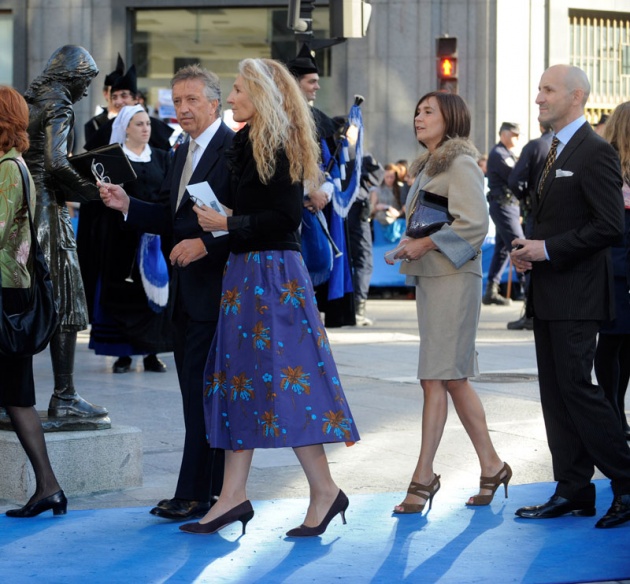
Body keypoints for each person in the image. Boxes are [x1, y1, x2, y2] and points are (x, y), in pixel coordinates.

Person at [181, 58, 360, 537]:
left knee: (289, 382)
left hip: (273, 277)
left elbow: (285, 219)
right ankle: (233, 495)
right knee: (239, 382)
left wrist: (227, 223)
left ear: (259, 94)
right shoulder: (248, 141)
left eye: (237, 89)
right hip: (245, 276)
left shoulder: (277, 143)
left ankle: (323, 490)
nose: (232, 97)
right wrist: (227, 219)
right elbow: (261, 210)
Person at [99, 65, 233, 520]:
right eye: (177, 101)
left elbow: (248, 223)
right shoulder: (180, 150)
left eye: (192, 99)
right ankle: (206, 489)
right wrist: (127, 205)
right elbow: (172, 219)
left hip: (219, 294)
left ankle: (197, 493)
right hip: (185, 295)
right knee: (195, 394)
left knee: (202, 395)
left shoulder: (232, 150)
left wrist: (206, 243)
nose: (183, 108)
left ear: (215, 103)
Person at [511, 64, 630, 528]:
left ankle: (625, 481)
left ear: (576, 96)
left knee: (580, 391)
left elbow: (609, 225)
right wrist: (529, 252)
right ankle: (574, 489)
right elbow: (556, 221)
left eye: (548, 90)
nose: (538, 97)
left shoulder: (595, 151)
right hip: (550, 291)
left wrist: (548, 249)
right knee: (556, 395)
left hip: (579, 296)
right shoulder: (550, 149)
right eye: (538, 88)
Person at [386, 91, 510, 515]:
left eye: (428, 111)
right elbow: (428, 225)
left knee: (435, 378)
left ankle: (423, 477)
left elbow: (475, 225)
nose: (418, 117)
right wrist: (406, 246)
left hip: (454, 281)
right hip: (435, 281)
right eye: (416, 110)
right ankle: (492, 466)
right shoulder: (427, 167)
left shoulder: (458, 164)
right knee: (451, 378)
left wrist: (423, 245)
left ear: (450, 118)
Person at [23, 45, 108, 419]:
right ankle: (65, 395)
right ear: (72, 77)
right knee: (65, 301)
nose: (86, 91)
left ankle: (13, 396)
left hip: (23, 209)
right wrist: (95, 192)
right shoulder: (59, 104)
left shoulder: (29, 101)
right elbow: (56, 163)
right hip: (48, 210)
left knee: (25, 302)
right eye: (86, 82)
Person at [0, 85, 66, 518]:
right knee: (15, 394)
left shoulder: (8, 167)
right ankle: (48, 487)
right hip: (12, 290)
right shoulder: (13, 164)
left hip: (6, 292)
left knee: (17, 395)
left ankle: (49, 485)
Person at [80, 104, 173, 374]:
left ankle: (152, 354)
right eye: (139, 124)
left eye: (148, 124)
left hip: (155, 240)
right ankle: (123, 354)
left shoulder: (163, 157)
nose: (146, 129)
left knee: (152, 297)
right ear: (126, 129)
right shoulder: (115, 159)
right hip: (122, 241)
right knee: (123, 297)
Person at [288, 44, 356, 328]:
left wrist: (324, 192)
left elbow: (327, 163)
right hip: (292, 212)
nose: (317, 86)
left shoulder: (316, 119)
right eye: (311, 81)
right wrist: (307, 192)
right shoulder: (283, 119)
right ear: (295, 83)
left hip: (316, 207)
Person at [594, 102, 630, 440]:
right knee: (612, 345)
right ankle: (613, 415)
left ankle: (618, 414)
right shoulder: (607, 164)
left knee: (621, 347)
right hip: (614, 267)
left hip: (619, 266)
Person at [506, 123, 553, 330]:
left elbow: (515, 179)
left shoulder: (535, 146)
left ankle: (530, 313)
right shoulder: (569, 146)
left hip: (536, 209)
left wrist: (525, 198)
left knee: (530, 259)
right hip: (562, 213)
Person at [84, 61, 173, 152]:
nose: (118, 101)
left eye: (124, 96)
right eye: (114, 97)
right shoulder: (105, 129)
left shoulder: (154, 126)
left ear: (135, 99)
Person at [484, 121, 523, 306]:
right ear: (503, 134)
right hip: (503, 205)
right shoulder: (499, 154)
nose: (517, 138)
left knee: (502, 249)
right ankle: (529, 289)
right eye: (514, 134)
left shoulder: (507, 154)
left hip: (509, 206)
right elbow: (515, 176)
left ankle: (491, 289)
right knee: (518, 244)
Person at [84, 53, 124, 145]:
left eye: (123, 95)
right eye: (114, 95)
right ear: (106, 94)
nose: (120, 100)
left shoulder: (137, 120)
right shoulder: (94, 124)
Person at [369, 163, 404, 229]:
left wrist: (399, 213)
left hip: (396, 224)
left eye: (392, 177)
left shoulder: (400, 188)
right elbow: (371, 210)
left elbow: (404, 207)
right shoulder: (377, 190)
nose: (389, 179)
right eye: (387, 177)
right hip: (379, 222)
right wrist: (381, 207)